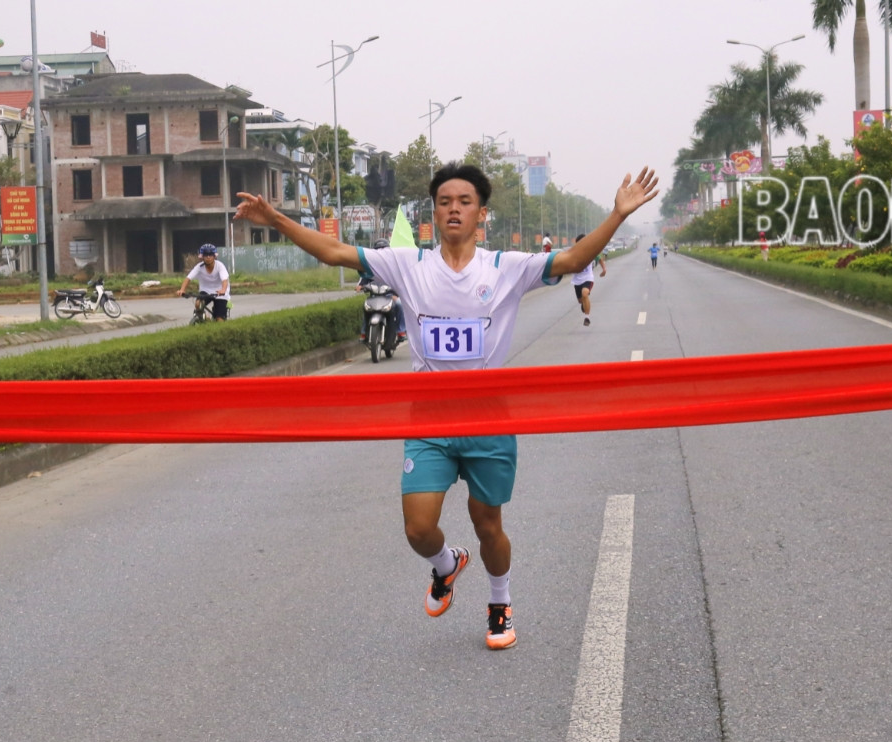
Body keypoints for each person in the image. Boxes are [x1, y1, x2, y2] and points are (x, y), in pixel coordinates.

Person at [233, 162, 659, 650]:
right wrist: (276, 219)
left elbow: (572, 258)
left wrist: (618, 215)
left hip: (487, 417)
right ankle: (446, 564)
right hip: (430, 417)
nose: (454, 209)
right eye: (444, 202)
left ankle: (499, 603)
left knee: (488, 524)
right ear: (433, 213)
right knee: (418, 528)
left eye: (465, 202)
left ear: (482, 214)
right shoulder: (408, 265)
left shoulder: (506, 267)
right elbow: (334, 251)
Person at [357, 238, 406, 342]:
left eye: (383, 249)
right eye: (378, 250)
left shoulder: (393, 266)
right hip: (374, 296)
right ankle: (364, 333)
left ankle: (401, 331)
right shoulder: (370, 266)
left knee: (399, 304)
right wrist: (360, 286)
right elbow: (363, 279)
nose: (381, 252)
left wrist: (396, 293)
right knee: (366, 307)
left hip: (390, 296)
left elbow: (400, 282)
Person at [180, 244, 230, 321]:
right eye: (206, 255)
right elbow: (188, 278)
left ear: (214, 256)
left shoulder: (220, 266)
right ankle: (205, 319)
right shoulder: (199, 267)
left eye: (210, 255)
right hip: (206, 291)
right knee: (198, 304)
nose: (208, 257)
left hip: (220, 293)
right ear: (202, 257)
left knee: (219, 319)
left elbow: (224, 280)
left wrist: (223, 290)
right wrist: (182, 290)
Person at [570, 234, 609, 327]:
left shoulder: (591, 251)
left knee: (585, 294)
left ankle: (587, 318)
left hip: (588, 278)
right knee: (580, 301)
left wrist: (604, 270)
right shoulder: (574, 252)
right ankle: (584, 303)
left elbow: (599, 259)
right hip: (577, 280)